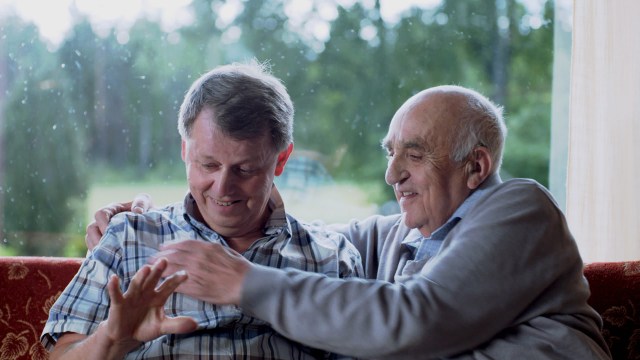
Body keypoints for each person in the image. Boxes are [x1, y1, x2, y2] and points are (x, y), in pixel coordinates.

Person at [85, 85, 612, 359]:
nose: (391, 174)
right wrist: (140, 225)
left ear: (476, 167)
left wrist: (243, 281)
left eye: (415, 154)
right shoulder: (402, 233)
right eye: (389, 153)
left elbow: (418, 319)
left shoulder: (520, 210)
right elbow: (298, 240)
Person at [41, 61, 363, 359]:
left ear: (280, 160)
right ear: (185, 150)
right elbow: (61, 354)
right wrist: (113, 338)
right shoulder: (129, 237)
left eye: (245, 169)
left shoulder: (331, 258)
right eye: (208, 164)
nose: (222, 188)